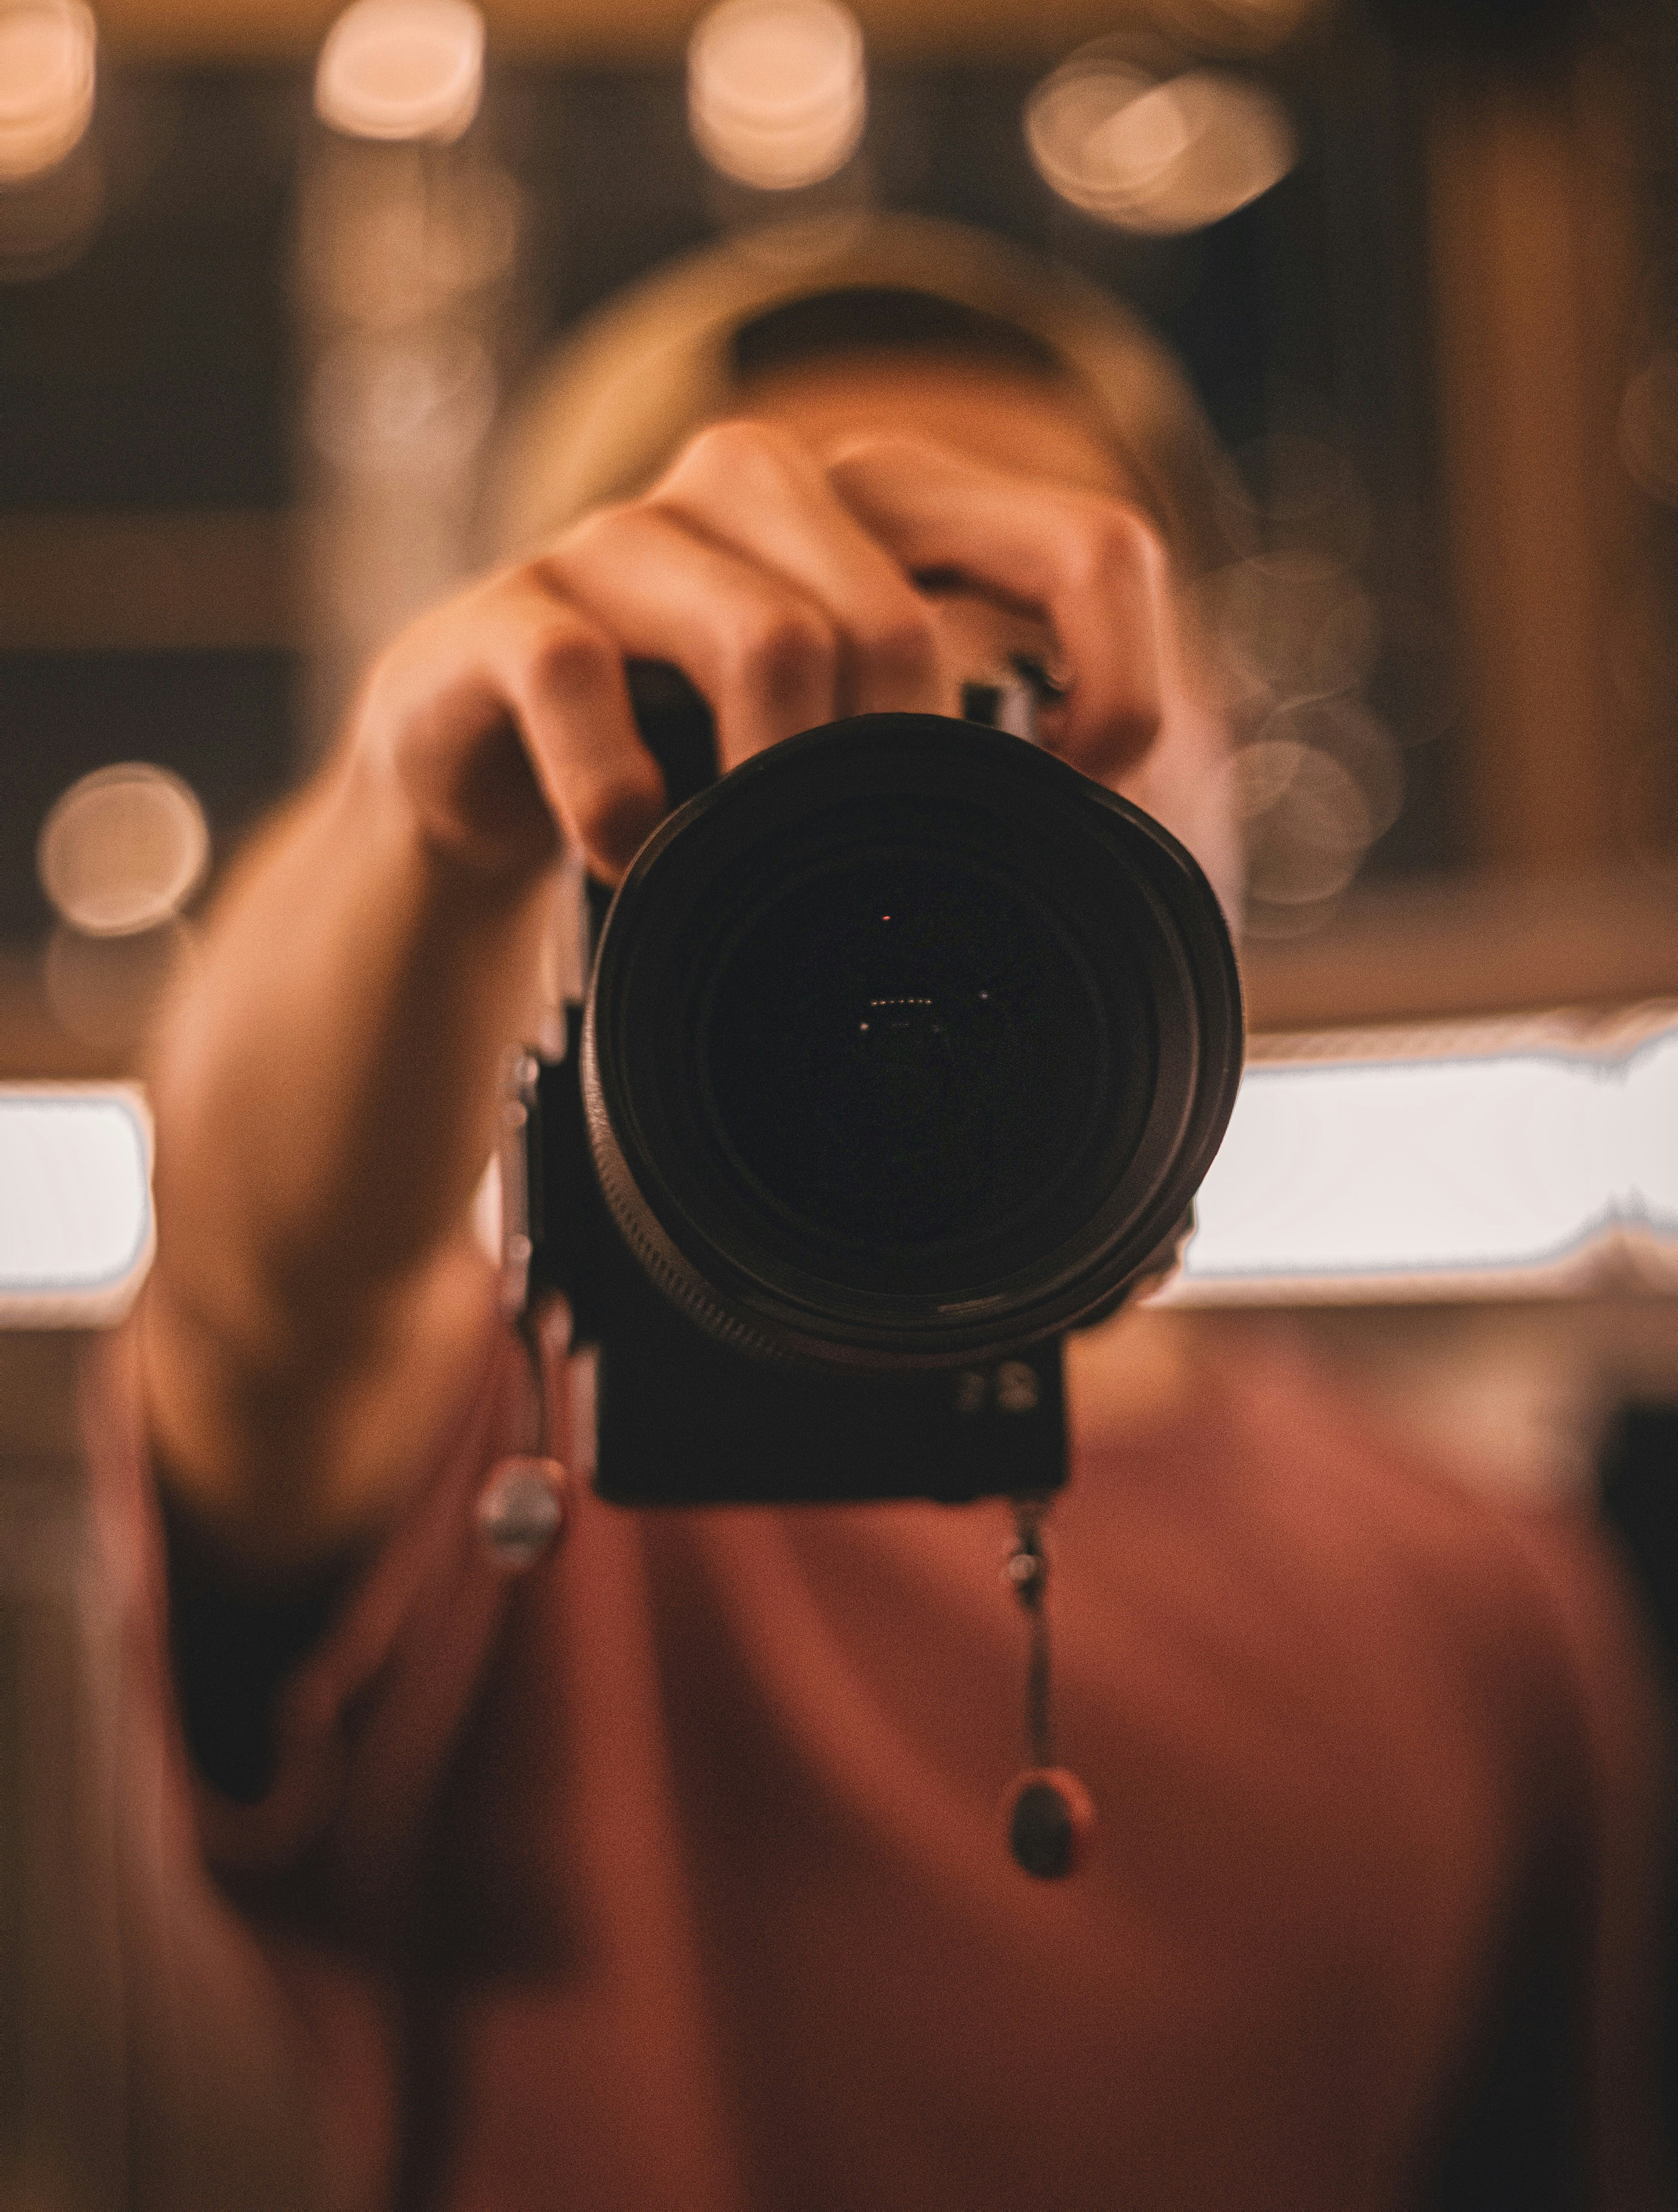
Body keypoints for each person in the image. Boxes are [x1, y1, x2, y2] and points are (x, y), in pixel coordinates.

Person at [102, 215, 1667, 2209]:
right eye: (738, 676)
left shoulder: (1492, 1602)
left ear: (1219, 746)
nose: (923, 763)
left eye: (1031, 648)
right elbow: (260, 1272)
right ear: (564, 790)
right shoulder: (485, 1468)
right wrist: (420, 801)